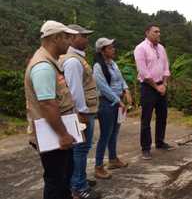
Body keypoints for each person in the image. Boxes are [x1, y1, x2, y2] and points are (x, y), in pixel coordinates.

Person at [24, 20, 78, 199]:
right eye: (66, 37)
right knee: (56, 180)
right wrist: (63, 134)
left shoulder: (50, 62)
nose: (70, 42)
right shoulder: (43, 66)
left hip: (56, 134)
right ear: (55, 38)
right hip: (53, 136)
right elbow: (47, 104)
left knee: (63, 177)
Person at [59, 24, 101, 199]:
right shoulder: (73, 61)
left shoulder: (75, 58)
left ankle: (79, 178)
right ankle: (78, 186)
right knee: (81, 150)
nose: (86, 39)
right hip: (83, 112)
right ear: (72, 38)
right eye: (83, 36)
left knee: (80, 150)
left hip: (84, 111)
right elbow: (75, 91)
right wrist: (82, 113)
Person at [93, 37, 131, 179]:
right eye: (110, 47)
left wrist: (126, 90)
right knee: (105, 135)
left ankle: (113, 159)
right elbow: (103, 88)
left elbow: (121, 80)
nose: (113, 49)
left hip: (117, 102)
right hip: (107, 104)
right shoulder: (98, 67)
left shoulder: (113, 64)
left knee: (114, 132)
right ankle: (98, 166)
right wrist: (117, 101)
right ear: (102, 51)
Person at [133, 24, 172, 160]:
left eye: (159, 32)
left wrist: (164, 84)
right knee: (146, 118)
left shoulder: (161, 48)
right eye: (155, 32)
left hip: (162, 86)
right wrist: (156, 86)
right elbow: (143, 72)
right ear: (147, 33)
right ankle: (146, 148)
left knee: (162, 116)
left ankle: (160, 142)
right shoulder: (140, 48)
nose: (158, 34)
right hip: (148, 87)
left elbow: (166, 67)